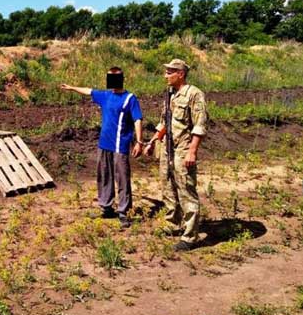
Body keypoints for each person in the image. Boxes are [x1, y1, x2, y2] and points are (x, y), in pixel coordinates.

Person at [60, 67, 144, 229]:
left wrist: (139, 142)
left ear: (121, 79)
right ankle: (106, 207)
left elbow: (138, 120)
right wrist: (71, 87)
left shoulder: (130, 98)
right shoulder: (105, 96)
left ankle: (124, 212)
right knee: (104, 175)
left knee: (122, 178)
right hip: (104, 144)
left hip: (120, 144)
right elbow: (89, 91)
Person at [144, 59, 208, 251]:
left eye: (170, 72)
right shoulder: (170, 94)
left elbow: (199, 126)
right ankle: (173, 223)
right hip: (167, 148)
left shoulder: (194, 94)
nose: (165, 75)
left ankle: (189, 237)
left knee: (186, 190)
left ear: (181, 74)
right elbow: (164, 122)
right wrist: (153, 140)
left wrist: (192, 152)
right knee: (168, 185)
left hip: (183, 149)